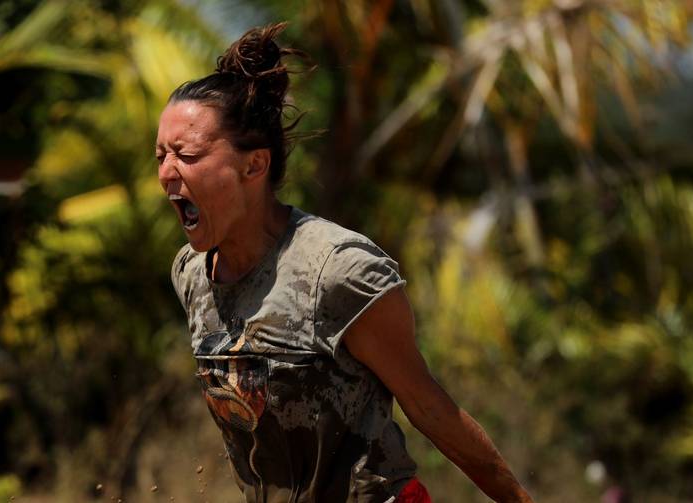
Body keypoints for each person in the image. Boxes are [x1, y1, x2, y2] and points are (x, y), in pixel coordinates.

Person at [157, 23, 533, 503]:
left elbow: (430, 408)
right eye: (161, 156)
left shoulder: (338, 273)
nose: (167, 172)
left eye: (187, 155)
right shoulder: (192, 274)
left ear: (254, 165)